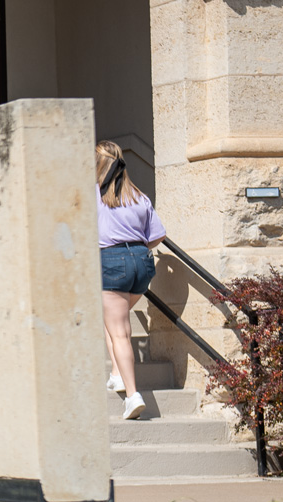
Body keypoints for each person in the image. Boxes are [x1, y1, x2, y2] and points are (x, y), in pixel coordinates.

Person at [95, 140, 165, 420]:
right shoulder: (138, 195)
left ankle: (133, 395)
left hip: (111, 261)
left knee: (120, 331)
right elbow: (158, 236)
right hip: (142, 262)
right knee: (113, 321)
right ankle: (115, 373)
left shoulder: (95, 195)